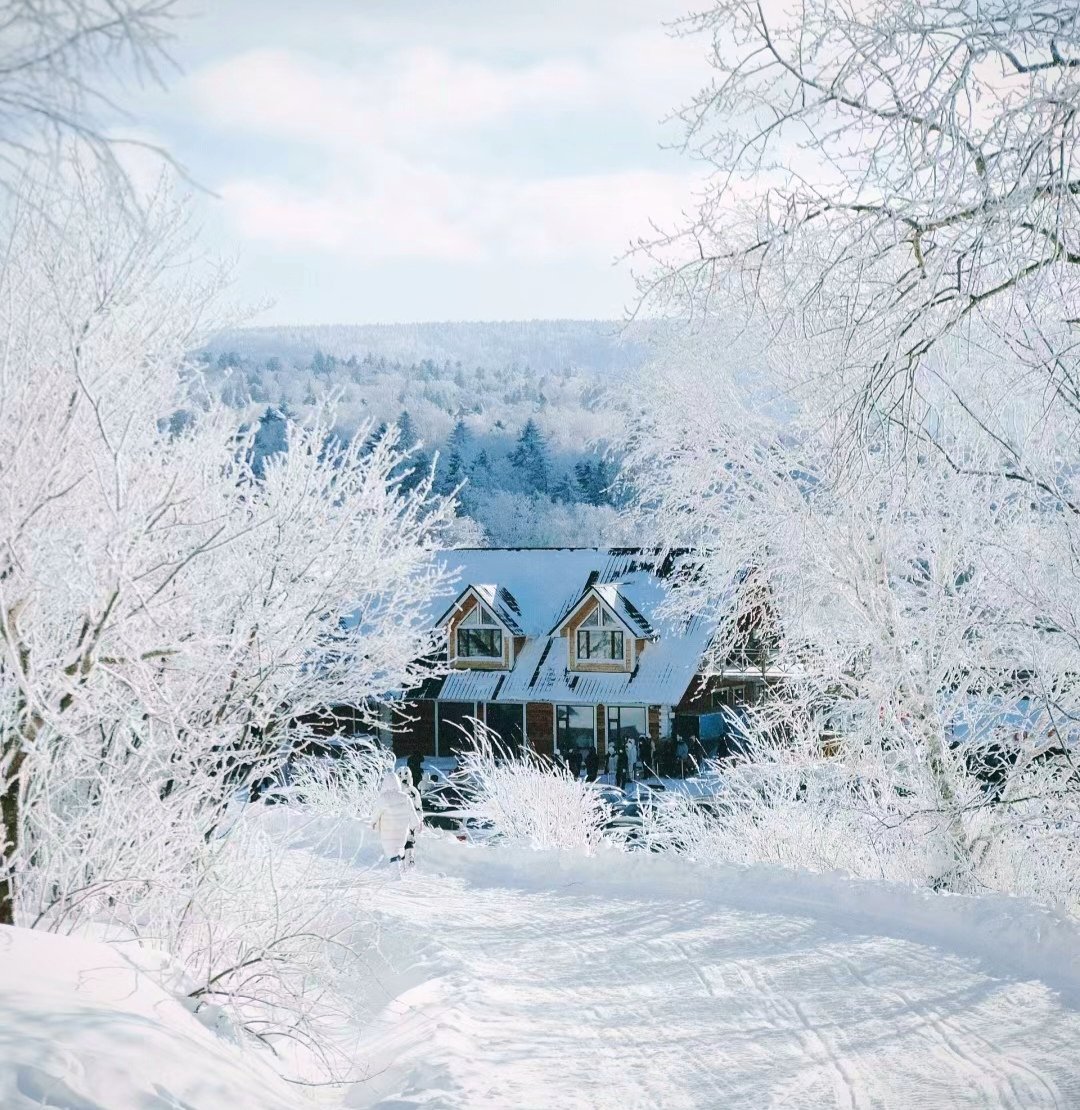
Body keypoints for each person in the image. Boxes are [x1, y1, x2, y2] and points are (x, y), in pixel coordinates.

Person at [371, 772, 421, 873]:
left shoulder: (383, 798)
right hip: (402, 830)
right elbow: (413, 813)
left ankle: (396, 872)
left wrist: (373, 822)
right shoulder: (405, 797)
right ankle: (401, 865)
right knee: (399, 847)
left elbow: (376, 813)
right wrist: (417, 824)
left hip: (387, 830)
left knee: (391, 850)